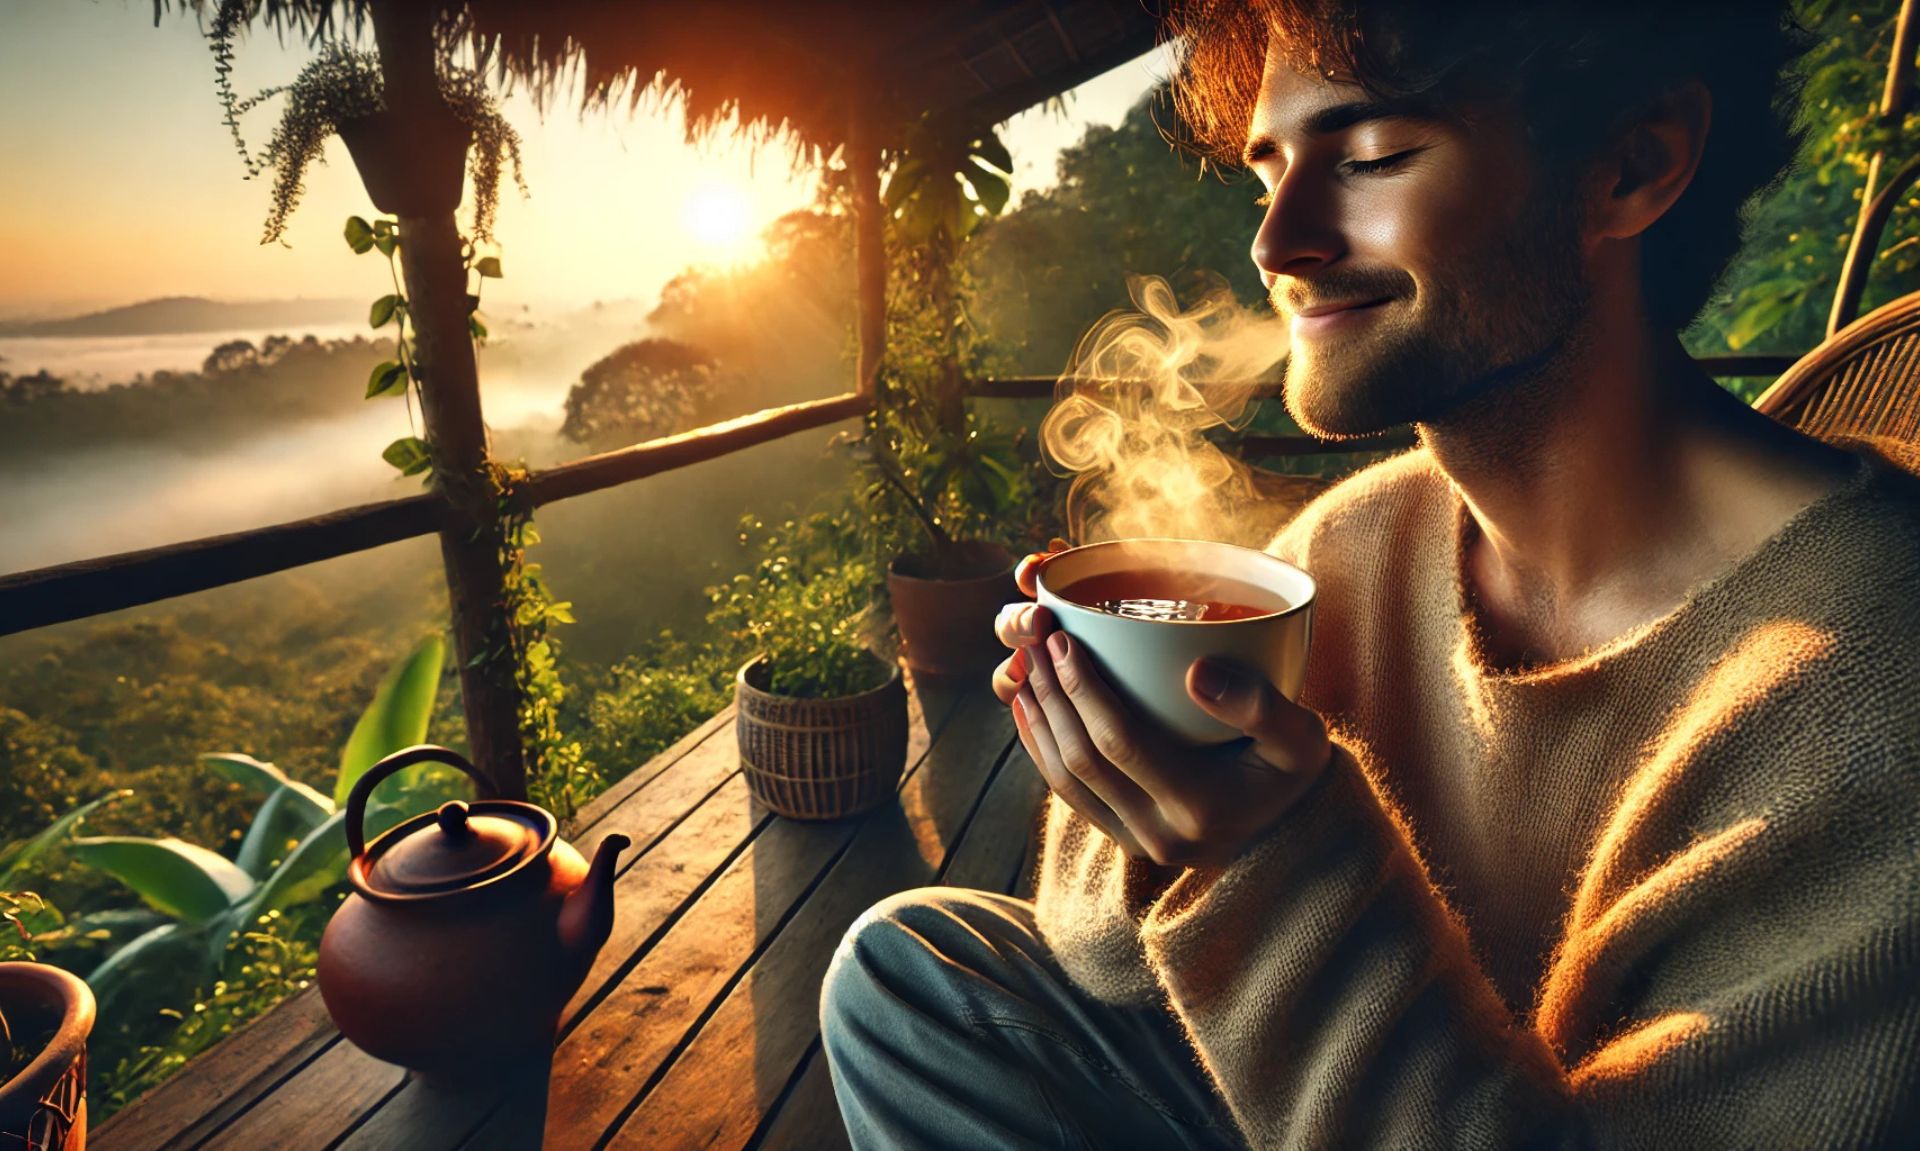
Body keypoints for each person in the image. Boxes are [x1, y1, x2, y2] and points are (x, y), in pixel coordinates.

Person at [820, 1, 1920, 1146]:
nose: (1275, 243)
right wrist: (1140, 766)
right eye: (1269, 173)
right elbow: (1098, 955)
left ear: (1631, 166)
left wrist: (1266, 858)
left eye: (1374, 156)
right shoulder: (1362, 543)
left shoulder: (1875, 684)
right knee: (912, 972)